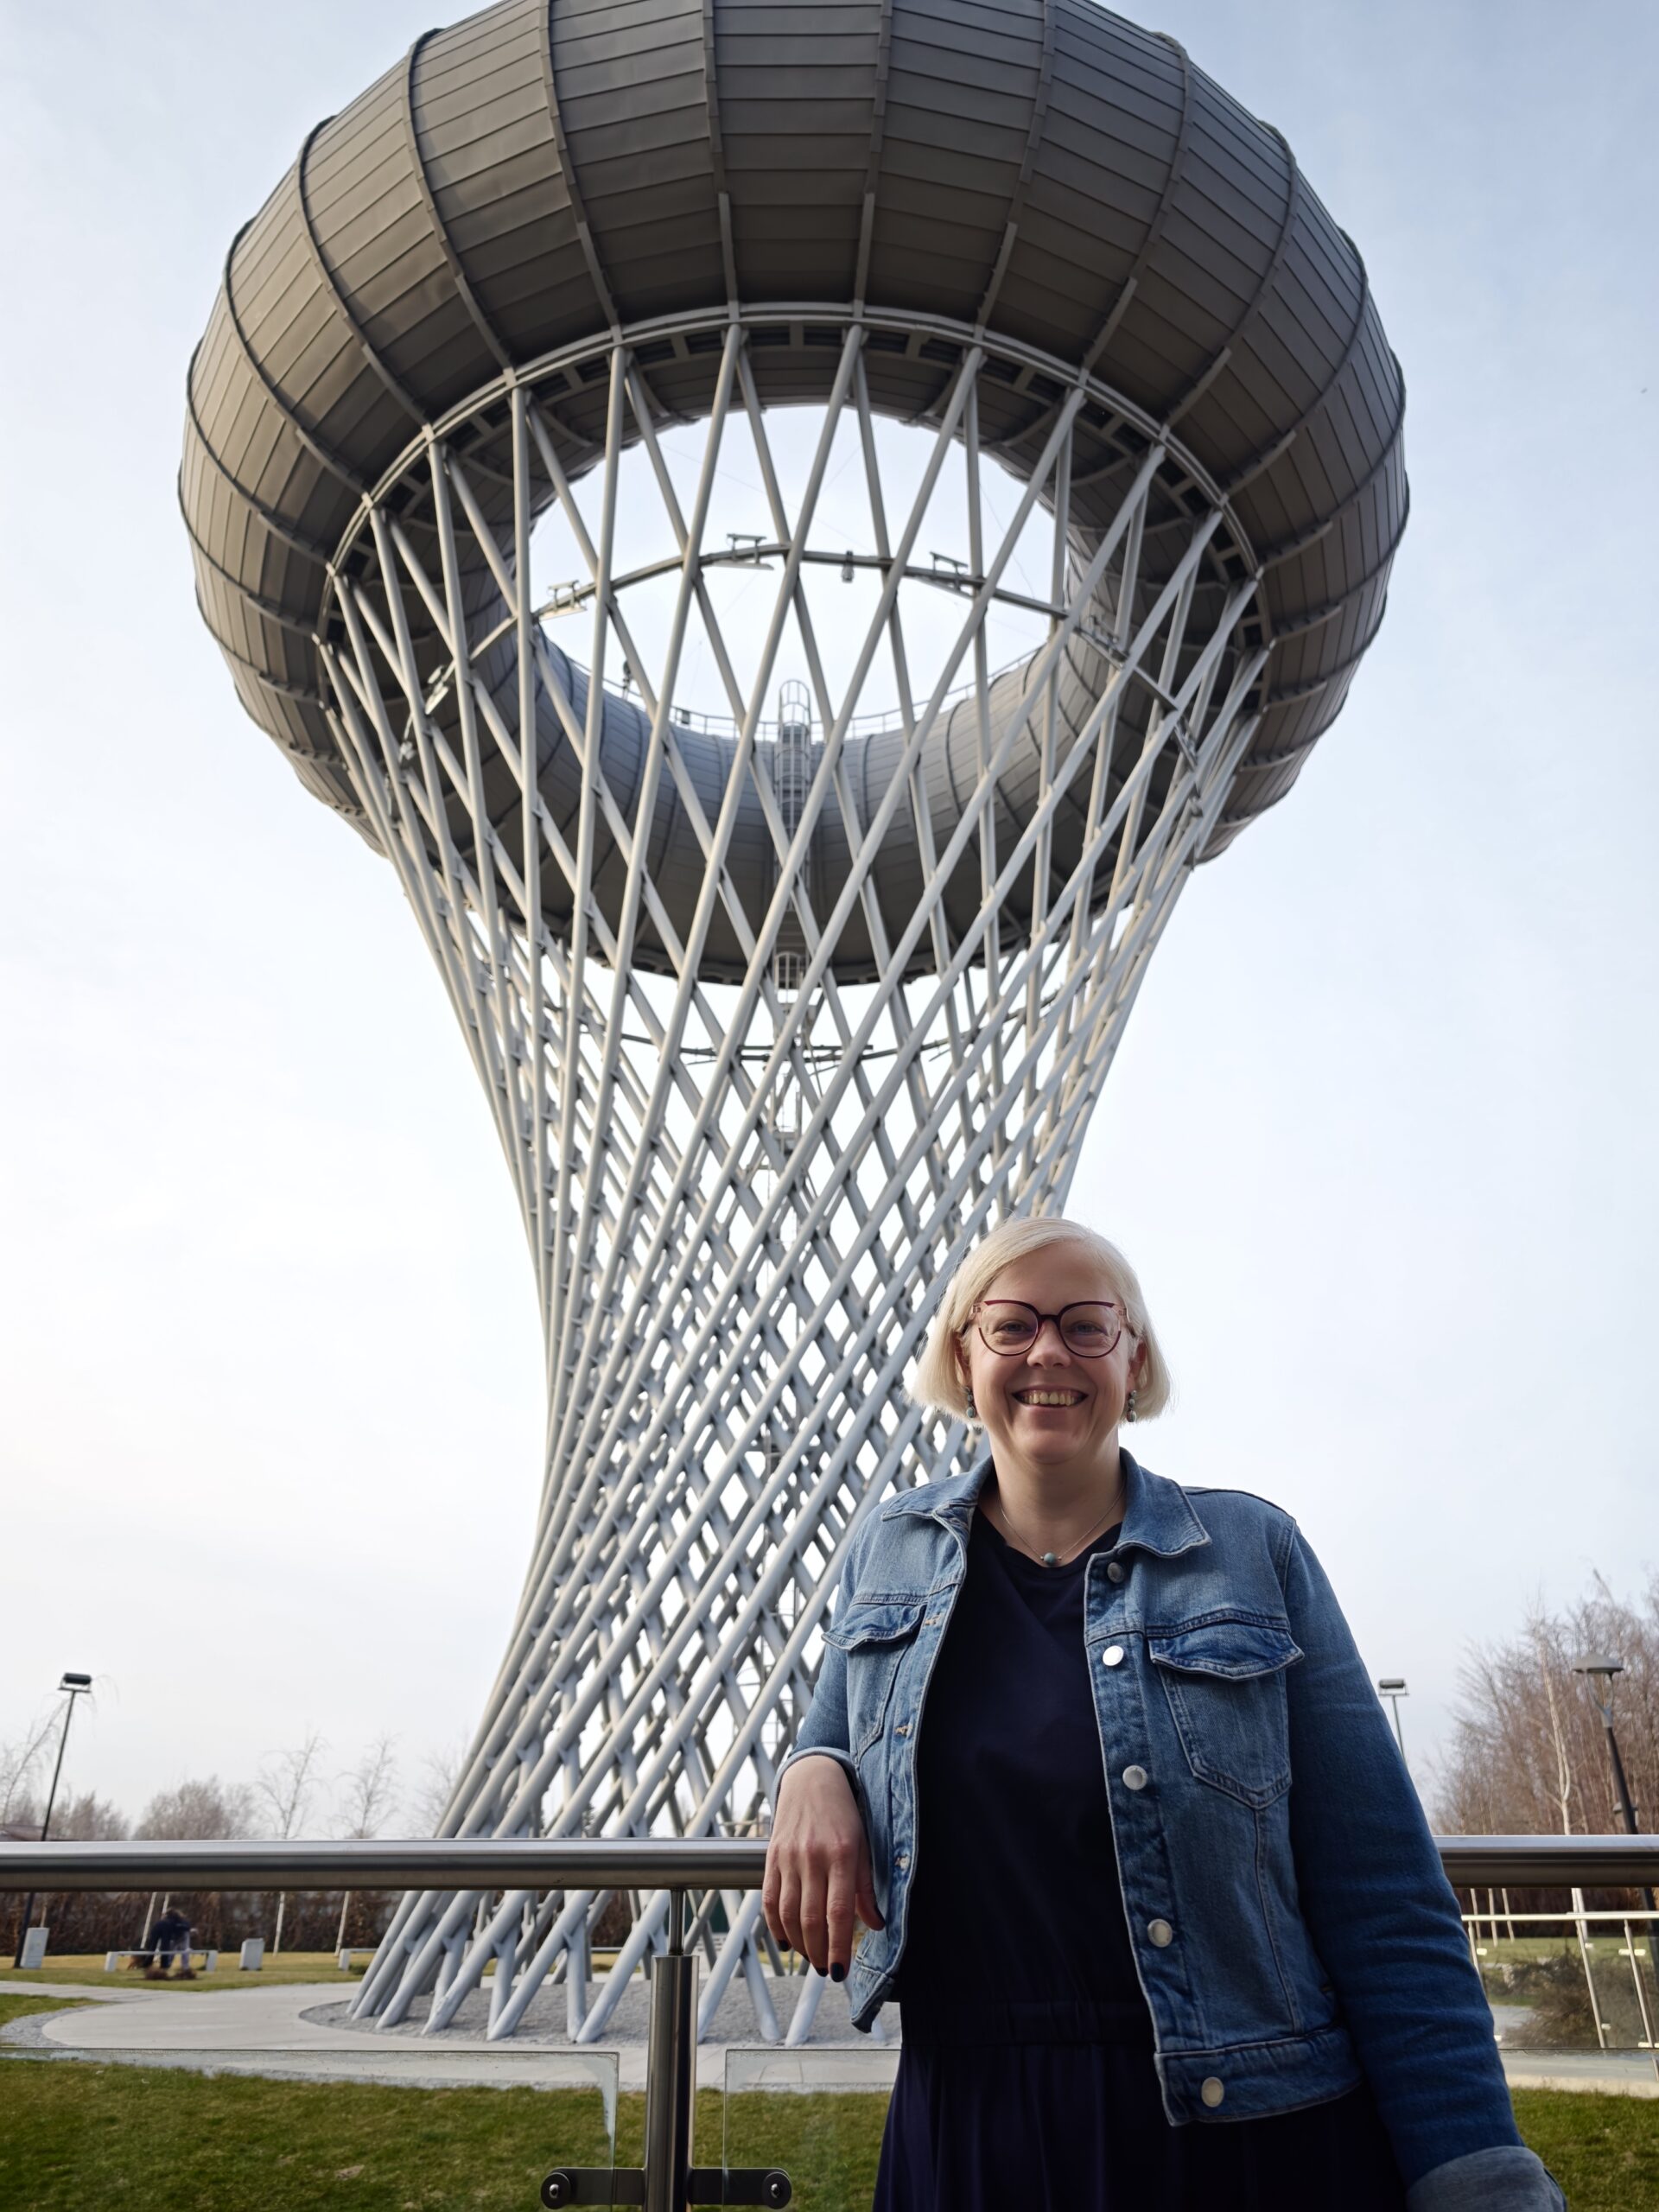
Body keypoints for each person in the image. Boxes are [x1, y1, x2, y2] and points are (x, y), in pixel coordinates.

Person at [763, 1217, 1565, 2211]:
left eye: (1086, 1325)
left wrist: (1477, 2173)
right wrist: (811, 1771)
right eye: (1011, 1325)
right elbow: (841, 1726)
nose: (1048, 1351)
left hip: (1243, 2139)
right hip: (967, 2129)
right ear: (963, 1356)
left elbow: (1385, 1894)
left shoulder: (1251, 1551)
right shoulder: (889, 1552)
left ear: (1134, 1360)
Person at [148, 1904, 194, 1980]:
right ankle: (168, 1965)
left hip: (183, 1936)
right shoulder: (169, 1920)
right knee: (171, 1951)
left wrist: (178, 1928)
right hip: (174, 1938)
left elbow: (186, 1927)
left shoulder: (180, 1920)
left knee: (185, 1951)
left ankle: (185, 1967)